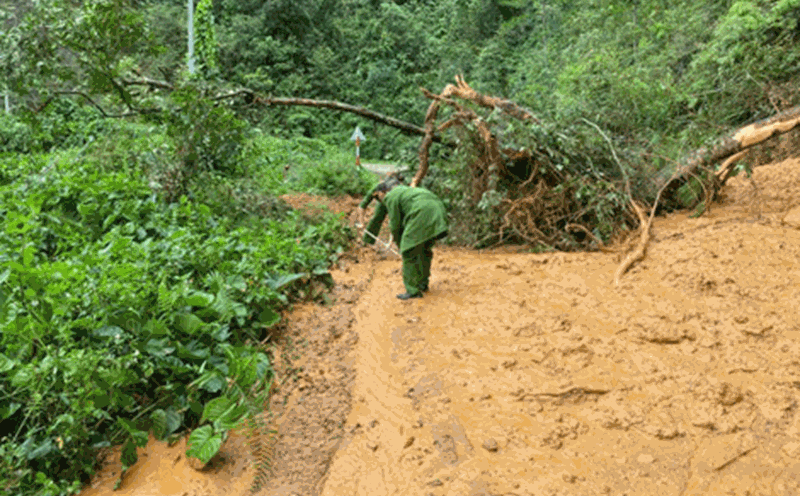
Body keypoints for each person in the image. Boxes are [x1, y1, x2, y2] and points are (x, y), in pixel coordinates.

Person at [360, 175, 448, 300]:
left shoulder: (391, 196)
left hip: (422, 213)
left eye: (378, 197)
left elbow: (395, 225)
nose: (380, 201)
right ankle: (422, 284)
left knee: (408, 251)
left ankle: (412, 290)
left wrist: (400, 245)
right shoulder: (404, 190)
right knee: (424, 249)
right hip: (437, 208)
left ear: (382, 192)